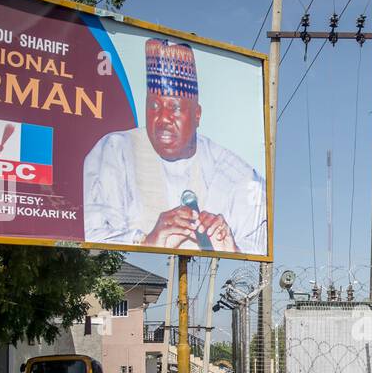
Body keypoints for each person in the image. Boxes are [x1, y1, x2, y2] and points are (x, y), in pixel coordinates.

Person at [83, 39, 267, 253]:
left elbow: (259, 243)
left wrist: (232, 248)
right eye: (154, 105)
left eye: (175, 108)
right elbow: (88, 232)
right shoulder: (115, 150)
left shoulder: (237, 175)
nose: (163, 119)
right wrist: (146, 241)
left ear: (197, 115)